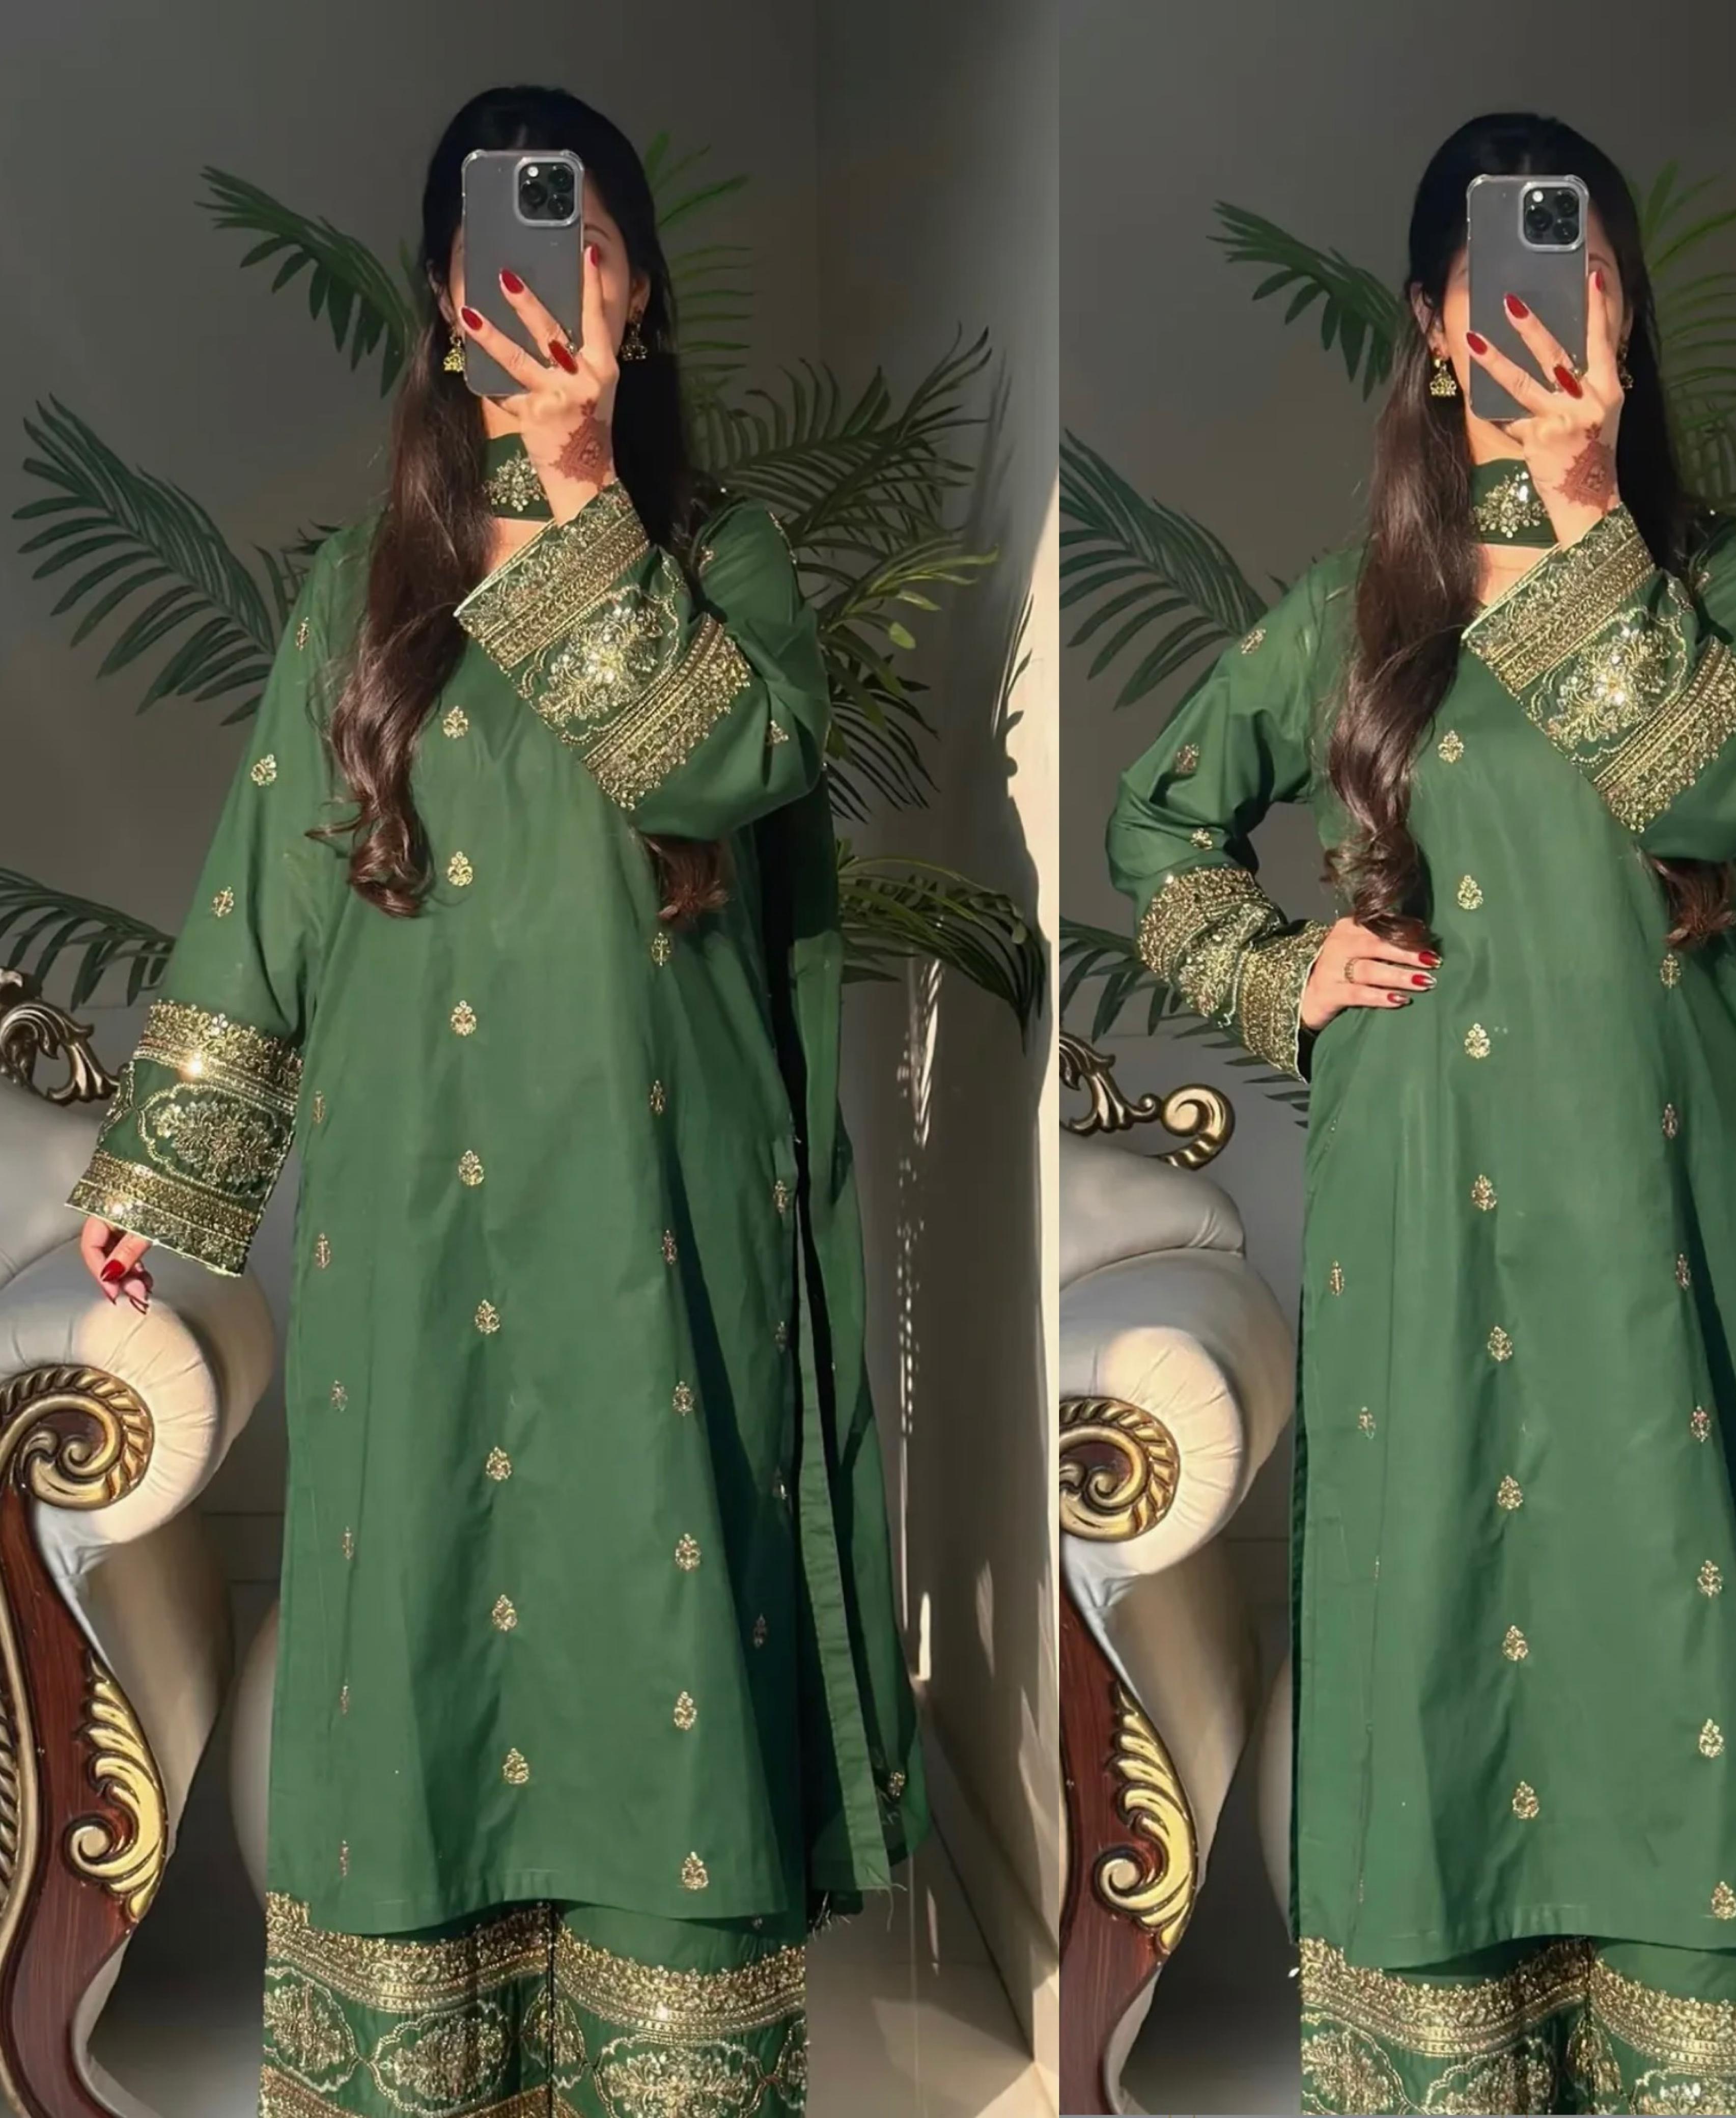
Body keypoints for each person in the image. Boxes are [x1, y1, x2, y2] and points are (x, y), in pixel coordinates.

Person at [69, 84, 920, 2115]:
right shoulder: (356, 594)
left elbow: (725, 765)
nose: (545, 289)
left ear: (639, 296)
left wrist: (575, 489)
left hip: (657, 1220)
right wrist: (166, 1176)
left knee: (652, 1619)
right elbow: (272, 888)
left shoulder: (723, 566)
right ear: (448, 306)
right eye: (503, 258)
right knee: (425, 1635)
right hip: (417, 1234)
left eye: (583, 246)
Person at [1106, 110, 1736, 2116]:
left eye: (1590, 278)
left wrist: (1580, 518)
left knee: (1671, 1605)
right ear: (1433, 326)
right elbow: (1158, 824)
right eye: (1511, 287)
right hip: (1432, 1215)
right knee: (1448, 1628)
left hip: (1668, 1216)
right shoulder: (1353, 615)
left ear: (1624, 322)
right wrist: (1275, 972)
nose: (1560, 318)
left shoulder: (1714, 589)